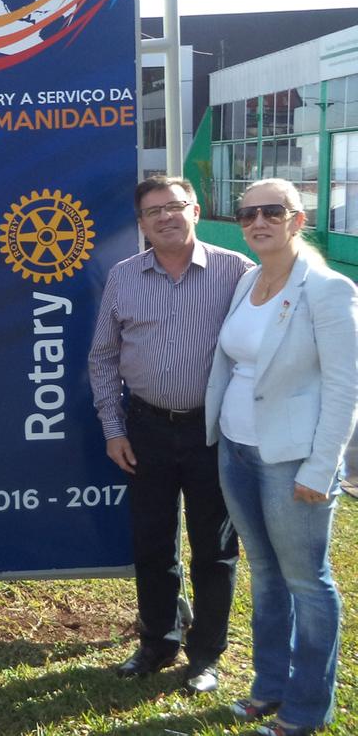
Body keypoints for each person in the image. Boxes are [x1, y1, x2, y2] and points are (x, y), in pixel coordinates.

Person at [88, 176, 253, 693]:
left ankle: (205, 655)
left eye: (174, 206)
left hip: (215, 431)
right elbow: (103, 357)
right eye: (152, 211)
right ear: (140, 224)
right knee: (153, 542)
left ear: (195, 210)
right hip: (147, 428)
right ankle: (158, 641)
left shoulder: (236, 272)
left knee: (214, 547)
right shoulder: (123, 276)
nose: (165, 217)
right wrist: (114, 429)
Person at [205, 180, 358, 736]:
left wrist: (322, 467)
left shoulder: (327, 289)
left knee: (307, 582)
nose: (258, 221)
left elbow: (345, 388)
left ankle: (307, 708)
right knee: (266, 574)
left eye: (273, 212)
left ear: (298, 220)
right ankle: (268, 686)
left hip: (294, 460)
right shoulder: (249, 280)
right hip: (237, 449)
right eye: (248, 213)